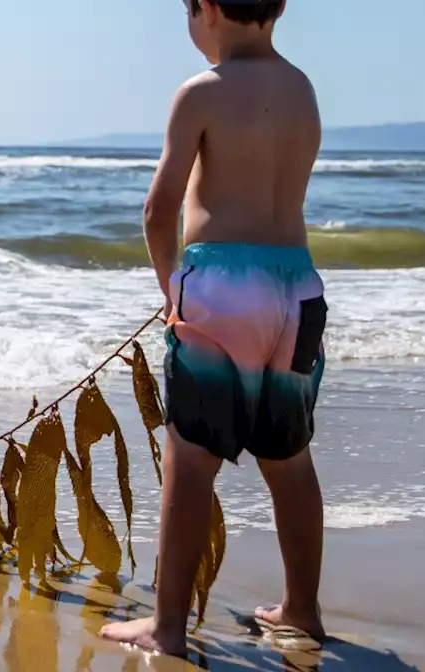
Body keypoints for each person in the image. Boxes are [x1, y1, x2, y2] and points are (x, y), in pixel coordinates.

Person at [99, 0, 328, 657]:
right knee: (290, 460)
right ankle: (303, 609)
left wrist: (172, 287)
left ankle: (166, 627)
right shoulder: (302, 88)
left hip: (221, 288)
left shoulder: (201, 92)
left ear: (207, 9)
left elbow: (157, 208)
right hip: (298, 289)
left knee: (191, 464)